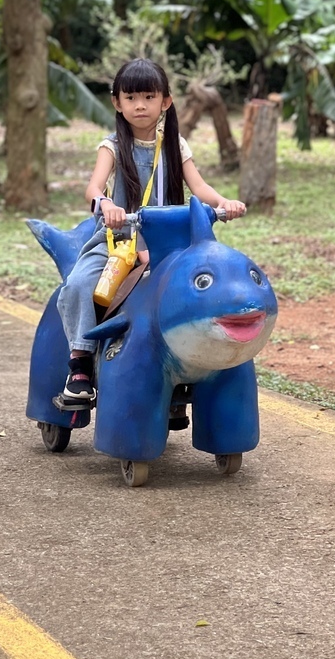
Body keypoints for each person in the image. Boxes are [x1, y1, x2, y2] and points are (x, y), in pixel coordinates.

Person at [56, 57, 247, 404]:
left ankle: (194, 355)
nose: (140, 105)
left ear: (166, 101)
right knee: (79, 283)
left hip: (169, 241)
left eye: (148, 96)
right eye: (130, 98)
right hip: (120, 241)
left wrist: (224, 202)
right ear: (117, 103)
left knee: (207, 283)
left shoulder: (176, 145)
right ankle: (80, 363)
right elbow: (93, 188)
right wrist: (107, 205)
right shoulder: (112, 146)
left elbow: (199, 187)